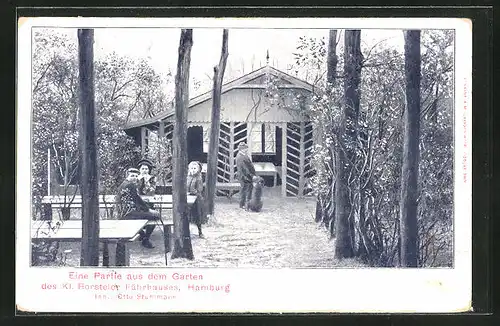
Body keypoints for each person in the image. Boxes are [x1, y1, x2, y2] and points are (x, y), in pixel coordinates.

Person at [116, 167, 161, 249]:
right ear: (127, 176)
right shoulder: (130, 185)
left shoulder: (123, 184)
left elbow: (136, 199)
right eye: (132, 176)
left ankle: (142, 235)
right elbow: (137, 201)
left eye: (136, 176)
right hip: (129, 213)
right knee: (156, 216)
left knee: (149, 215)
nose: (134, 178)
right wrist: (148, 209)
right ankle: (145, 239)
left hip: (123, 212)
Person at [235, 142, 256, 210]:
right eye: (245, 148)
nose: (247, 149)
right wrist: (251, 175)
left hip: (247, 176)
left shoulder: (244, 155)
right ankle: (243, 205)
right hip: (244, 176)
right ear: (242, 149)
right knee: (244, 190)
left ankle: (247, 204)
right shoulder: (240, 157)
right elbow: (244, 168)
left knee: (248, 189)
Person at [187, 161, 205, 238]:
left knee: (197, 216)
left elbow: (199, 189)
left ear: (198, 169)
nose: (193, 170)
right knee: (187, 215)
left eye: (195, 168)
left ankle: (200, 232)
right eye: (192, 168)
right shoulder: (188, 177)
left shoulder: (199, 178)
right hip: (188, 198)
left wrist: (193, 192)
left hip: (197, 199)